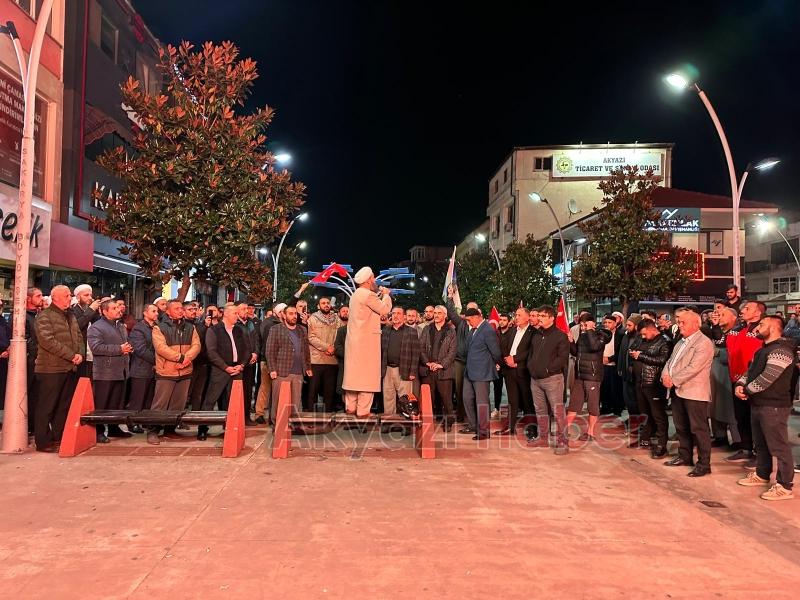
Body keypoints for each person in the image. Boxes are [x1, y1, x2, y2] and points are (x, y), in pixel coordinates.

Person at [734, 315, 796, 501]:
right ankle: (762, 474)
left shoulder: (782, 351)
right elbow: (750, 371)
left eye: (762, 324)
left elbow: (767, 379)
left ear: (775, 327)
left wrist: (746, 389)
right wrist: (740, 384)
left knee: (779, 446)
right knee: (760, 444)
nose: (757, 327)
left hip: (774, 405)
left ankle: (785, 485)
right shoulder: (763, 350)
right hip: (759, 403)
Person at [661, 308, 715, 477]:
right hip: (678, 390)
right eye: (679, 321)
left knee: (699, 429)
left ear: (695, 324)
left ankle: (704, 464)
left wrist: (673, 379)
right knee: (681, 426)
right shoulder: (681, 341)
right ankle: (685, 456)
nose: (680, 324)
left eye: (683, 322)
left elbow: (694, 368)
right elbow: (671, 360)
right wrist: (665, 375)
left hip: (694, 392)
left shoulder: (704, 343)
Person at [33, 285, 83, 452]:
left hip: (68, 368)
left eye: (70, 295)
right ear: (55, 298)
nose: (70, 298)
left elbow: (79, 336)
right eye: (67, 295)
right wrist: (71, 355)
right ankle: (43, 441)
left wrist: (79, 354)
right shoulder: (45, 316)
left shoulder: (71, 316)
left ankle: (58, 437)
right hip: (50, 369)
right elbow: (47, 341)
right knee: (47, 406)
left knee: (62, 406)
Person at [341, 267, 392, 417]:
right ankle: (363, 411)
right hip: (366, 342)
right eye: (373, 277)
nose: (375, 280)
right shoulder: (368, 295)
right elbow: (384, 309)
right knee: (366, 376)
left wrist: (379, 295)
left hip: (355, 342)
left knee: (353, 377)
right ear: (368, 279)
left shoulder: (356, 295)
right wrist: (387, 295)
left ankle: (350, 408)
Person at [149, 300, 201, 444]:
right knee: (160, 404)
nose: (180, 311)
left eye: (181, 308)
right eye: (176, 308)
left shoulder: (190, 327)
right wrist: (181, 358)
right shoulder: (159, 328)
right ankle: (153, 430)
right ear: (168, 311)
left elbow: (196, 345)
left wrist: (187, 359)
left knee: (178, 404)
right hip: (167, 371)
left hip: (185, 371)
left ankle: (170, 430)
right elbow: (161, 348)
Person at [202, 304, 252, 440]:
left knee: (234, 401)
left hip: (237, 369)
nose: (238, 316)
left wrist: (241, 365)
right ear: (226, 314)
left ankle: (231, 429)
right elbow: (211, 352)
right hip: (220, 370)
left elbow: (248, 349)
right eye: (235, 313)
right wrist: (225, 367)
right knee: (210, 400)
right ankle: (203, 428)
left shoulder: (240, 330)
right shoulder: (214, 330)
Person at [725, 300, 765, 465]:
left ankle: (760, 454)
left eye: (748, 308)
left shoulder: (761, 330)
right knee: (740, 417)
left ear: (758, 313)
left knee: (755, 419)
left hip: (753, 381)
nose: (743, 310)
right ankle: (746, 448)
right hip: (736, 379)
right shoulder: (740, 329)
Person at [87, 299, 133, 443]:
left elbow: (123, 344)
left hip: (121, 370)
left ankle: (114, 428)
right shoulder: (96, 327)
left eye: (118, 307)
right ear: (105, 311)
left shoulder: (120, 326)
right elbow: (96, 348)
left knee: (116, 403)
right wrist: (119, 349)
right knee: (102, 403)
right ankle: (98, 431)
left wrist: (128, 349)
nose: (118, 310)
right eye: (114, 308)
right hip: (105, 371)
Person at [527, 305, 570, 453]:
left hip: (552, 379)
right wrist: (531, 367)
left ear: (552, 318)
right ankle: (543, 438)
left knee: (558, 411)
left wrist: (547, 369)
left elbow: (562, 358)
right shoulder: (536, 334)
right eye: (539, 315)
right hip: (535, 379)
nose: (539, 318)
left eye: (543, 316)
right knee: (540, 410)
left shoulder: (560, 336)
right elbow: (531, 354)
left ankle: (563, 442)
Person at [629, 319, 671, 457]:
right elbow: (635, 347)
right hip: (640, 382)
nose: (643, 336)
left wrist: (641, 356)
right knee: (644, 413)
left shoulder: (664, 341)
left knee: (658, 414)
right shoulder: (643, 340)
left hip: (654, 383)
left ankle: (661, 444)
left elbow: (663, 360)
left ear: (652, 329)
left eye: (644, 333)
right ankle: (645, 439)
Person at [566, 314, 610, 441]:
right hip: (579, 375)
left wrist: (590, 330)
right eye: (581, 325)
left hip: (593, 375)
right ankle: (565, 429)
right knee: (574, 403)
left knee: (592, 404)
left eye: (585, 324)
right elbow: (576, 352)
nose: (583, 327)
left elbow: (594, 347)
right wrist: (571, 342)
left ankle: (590, 433)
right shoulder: (583, 334)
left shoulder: (603, 334)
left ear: (593, 323)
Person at [460, 307, 501, 440]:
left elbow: (495, 351)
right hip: (469, 371)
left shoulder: (488, 330)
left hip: (482, 372)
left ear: (477, 317)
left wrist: (497, 363)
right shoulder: (473, 330)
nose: (468, 322)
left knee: (482, 402)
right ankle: (473, 425)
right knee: (466, 398)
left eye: (469, 320)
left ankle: (484, 431)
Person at [267, 305, 313, 420]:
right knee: (278, 400)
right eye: (291, 314)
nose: (294, 316)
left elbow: (306, 350)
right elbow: (270, 351)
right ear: (284, 315)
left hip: (298, 372)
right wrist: (272, 369)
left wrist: (308, 367)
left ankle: (294, 424)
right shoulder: (276, 329)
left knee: (296, 401)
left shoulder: (302, 330)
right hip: (281, 371)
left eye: (295, 314)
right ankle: (276, 424)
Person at [420, 305, 457, 430]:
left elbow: (452, 351)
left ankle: (448, 421)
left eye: (439, 313)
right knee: (429, 398)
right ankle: (428, 421)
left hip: (444, 370)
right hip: (428, 369)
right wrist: (427, 363)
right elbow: (421, 348)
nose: (436, 315)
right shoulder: (427, 329)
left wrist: (441, 364)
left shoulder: (451, 330)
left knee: (446, 399)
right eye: (435, 313)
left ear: (445, 316)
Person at [445, 286, 479, 422]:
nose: (469, 311)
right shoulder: (461, 323)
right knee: (460, 390)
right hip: (460, 362)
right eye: (468, 309)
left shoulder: (481, 326)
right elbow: (452, 312)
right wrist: (449, 297)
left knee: (476, 390)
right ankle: (461, 415)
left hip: (475, 363)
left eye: (472, 309)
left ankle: (475, 417)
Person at [498, 307, 534, 435]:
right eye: (516, 315)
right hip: (509, 370)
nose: (516, 317)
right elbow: (504, 346)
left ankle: (531, 428)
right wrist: (507, 359)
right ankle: (510, 427)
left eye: (519, 315)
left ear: (527, 317)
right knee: (512, 401)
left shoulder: (532, 331)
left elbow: (530, 351)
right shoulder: (512, 331)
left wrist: (515, 359)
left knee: (527, 401)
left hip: (523, 370)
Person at [709, 307, 740, 449]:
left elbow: (726, 347)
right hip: (715, 374)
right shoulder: (718, 331)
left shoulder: (738, 332)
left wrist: (717, 352)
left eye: (723, 315)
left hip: (729, 375)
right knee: (715, 406)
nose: (719, 317)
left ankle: (738, 440)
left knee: (730, 408)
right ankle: (720, 436)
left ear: (734, 317)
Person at [306, 297, 341, 412]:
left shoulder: (337, 319)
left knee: (329, 391)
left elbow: (340, 336)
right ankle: (311, 417)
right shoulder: (312, 319)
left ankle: (329, 416)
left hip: (332, 360)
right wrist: (327, 347)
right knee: (313, 391)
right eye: (323, 303)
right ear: (318, 306)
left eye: (327, 303)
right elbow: (311, 337)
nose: (326, 305)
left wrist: (333, 348)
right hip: (317, 360)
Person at [255, 303, 286, 424]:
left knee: (269, 388)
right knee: (266, 388)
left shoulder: (275, 322)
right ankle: (260, 414)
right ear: (279, 313)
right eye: (284, 311)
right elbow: (269, 346)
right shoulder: (270, 324)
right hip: (269, 361)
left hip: (275, 360)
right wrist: (270, 363)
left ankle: (266, 414)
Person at [127, 304, 158, 424]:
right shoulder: (139, 328)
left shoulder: (157, 326)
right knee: (137, 400)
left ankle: (145, 422)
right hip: (140, 369)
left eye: (157, 311)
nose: (156, 313)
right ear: (145, 313)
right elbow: (140, 350)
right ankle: (133, 423)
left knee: (149, 399)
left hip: (153, 370)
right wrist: (157, 360)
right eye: (153, 311)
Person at [25, 287, 44, 435]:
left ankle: (34, 425)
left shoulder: (38, 315)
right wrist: (37, 352)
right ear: (28, 298)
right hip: (30, 360)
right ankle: (29, 425)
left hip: (39, 360)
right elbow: (26, 338)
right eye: (38, 296)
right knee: (30, 394)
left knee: (37, 395)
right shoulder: (23, 316)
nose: (41, 298)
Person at [600, 314, 624, 417]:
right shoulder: (600, 334)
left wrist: (609, 359)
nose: (607, 324)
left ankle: (617, 409)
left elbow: (621, 352)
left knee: (616, 388)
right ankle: (605, 407)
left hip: (614, 365)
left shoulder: (621, 334)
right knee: (604, 387)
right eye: (605, 322)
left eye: (609, 322)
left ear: (615, 323)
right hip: (602, 365)